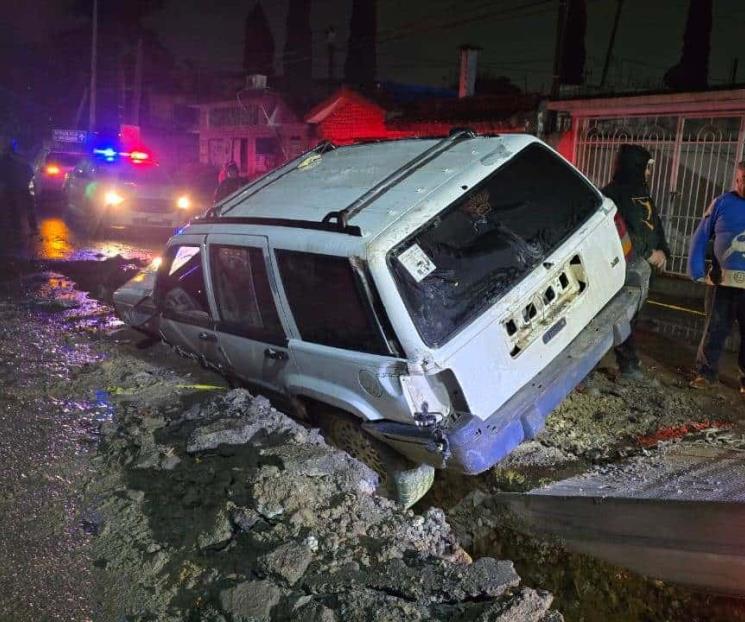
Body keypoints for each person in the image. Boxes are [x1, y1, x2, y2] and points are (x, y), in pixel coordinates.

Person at [602, 144, 670, 379]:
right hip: (623, 267)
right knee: (623, 315)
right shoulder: (612, 195)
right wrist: (649, 253)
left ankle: (627, 362)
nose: (649, 173)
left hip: (643, 268)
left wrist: (663, 250)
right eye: (646, 167)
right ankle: (627, 364)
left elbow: (654, 223)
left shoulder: (642, 193)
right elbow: (621, 230)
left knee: (633, 316)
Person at [687, 161, 745, 394]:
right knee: (715, 330)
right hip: (722, 283)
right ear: (737, 179)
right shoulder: (721, 203)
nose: (743, 184)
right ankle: (706, 374)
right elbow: (700, 236)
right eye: (742, 179)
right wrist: (696, 269)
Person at [0, 136, 37, 231]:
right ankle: (33, 228)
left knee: (11, 209)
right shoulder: (21, 160)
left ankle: (14, 228)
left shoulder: (4, 162)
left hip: (10, 189)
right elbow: (30, 173)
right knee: (29, 208)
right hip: (23, 187)